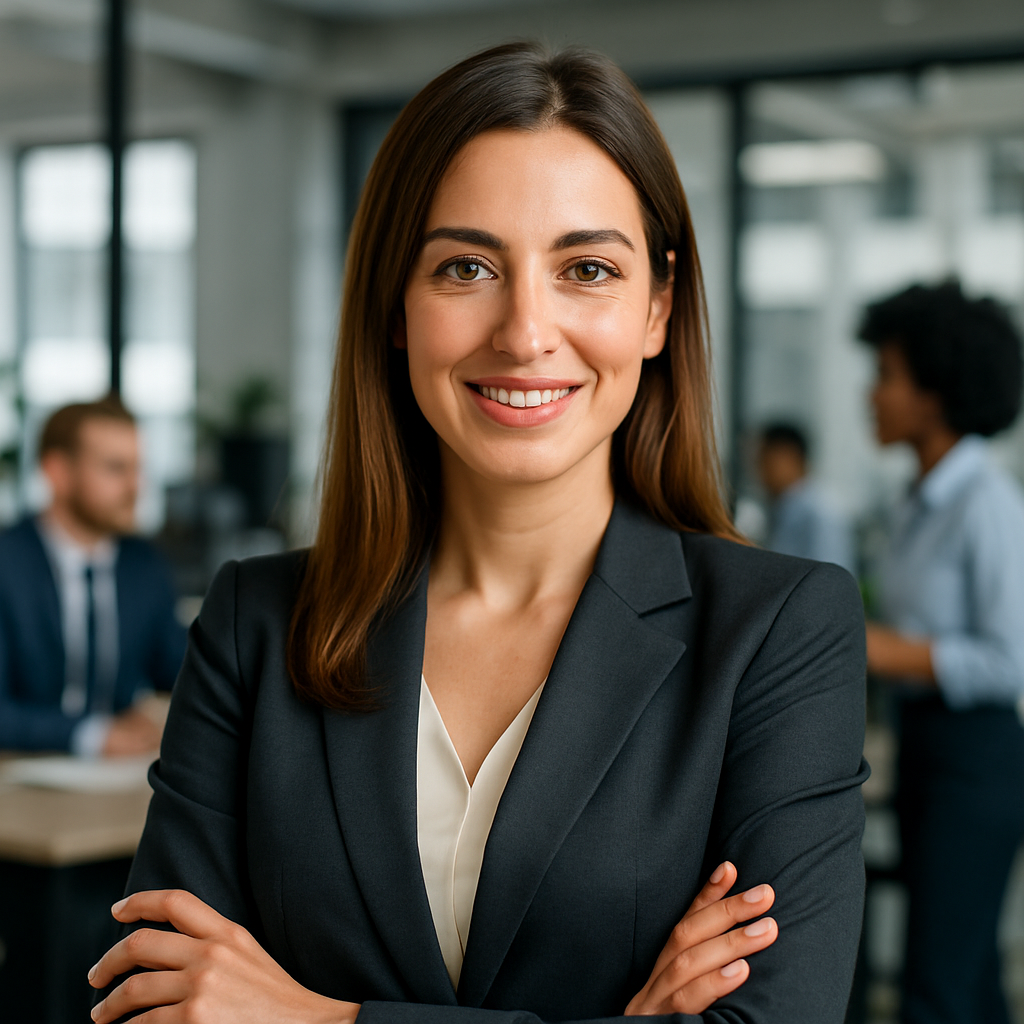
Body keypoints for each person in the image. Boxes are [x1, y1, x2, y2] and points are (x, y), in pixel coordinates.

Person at [88, 43, 867, 1024]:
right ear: (395, 306)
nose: (525, 330)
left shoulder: (776, 630)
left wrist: (320, 1017)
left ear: (657, 307)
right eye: (465, 267)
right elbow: (163, 1003)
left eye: (586, 268)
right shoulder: (256, 623)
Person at [859, 281, 1024, 1024]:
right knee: (967, 977)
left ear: (934, 393)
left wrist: (879, 650)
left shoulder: (986, 502)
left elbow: (1009, 659)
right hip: (927, 747)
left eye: (888, 375)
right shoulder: (916, 502)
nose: (872, 394)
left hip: (977, 758)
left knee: (937, 987)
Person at [0, 397, 186, 756]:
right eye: (115, 469)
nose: (135, 487)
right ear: (58, 472)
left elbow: (179, 671)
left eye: (138, 469)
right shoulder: (7, 563)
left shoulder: (144, 565)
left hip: (121, 778)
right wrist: (93, 735)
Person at [756, 422, 856, 576]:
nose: (759, 471)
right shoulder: (782, 507)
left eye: (764, 460)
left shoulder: (821, 511)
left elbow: (831, 578)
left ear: (790, 456)